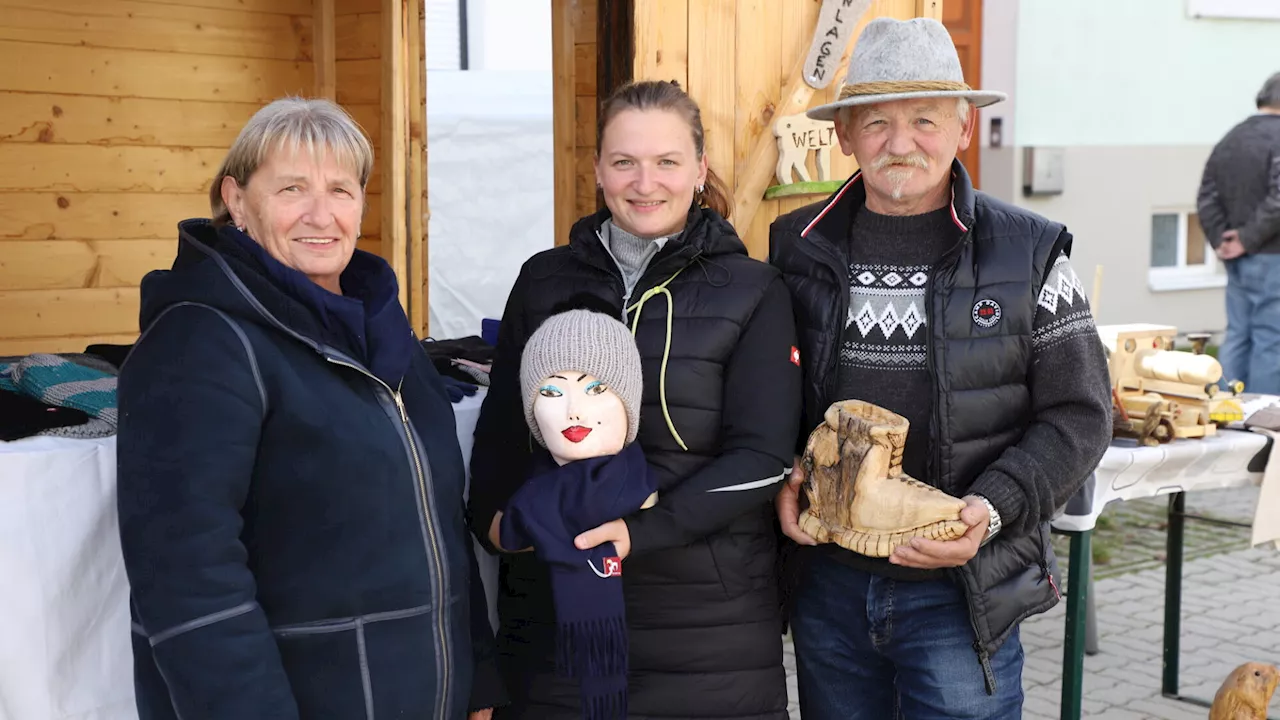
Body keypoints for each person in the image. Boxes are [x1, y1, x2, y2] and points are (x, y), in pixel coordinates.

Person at [768, 18, 1113, 719]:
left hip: (960, 586)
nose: (900, 144)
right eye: (877, 123)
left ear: (962, 129)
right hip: (828, 577)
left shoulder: (1032, 252)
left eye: (925, 119)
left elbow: (1080, 414)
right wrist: (786, 475)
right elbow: (772, 392)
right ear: (844, 136)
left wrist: (990, 513)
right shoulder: (795, 246)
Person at [116, 97, 502, 720]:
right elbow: (187, 577)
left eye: (341, 190)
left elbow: (440, 528)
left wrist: (478, 680)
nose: (321, 214)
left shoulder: (385, 333)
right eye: (292, 188)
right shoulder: (200, 340)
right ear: (237, 200)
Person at [467, 80, 802, 719]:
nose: (645, 182)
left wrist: (638, 531)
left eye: (667, 162)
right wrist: (495, 526)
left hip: (709, 635)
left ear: (700, 170)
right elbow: (503, 435)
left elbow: (760, 456)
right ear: (597, 170)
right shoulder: (544, 280)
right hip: (557, 623)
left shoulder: (752, 291)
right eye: (624, 162)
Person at [1197, 71, 1280, 394]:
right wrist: (1246, 239)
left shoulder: (1230, 138)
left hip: (1238, 260)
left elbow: (1206, 196)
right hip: (1272, 257)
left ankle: (1227, 414)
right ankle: (1269, 427)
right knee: (1271, 341)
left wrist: (1223, 241)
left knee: (1238, 335)